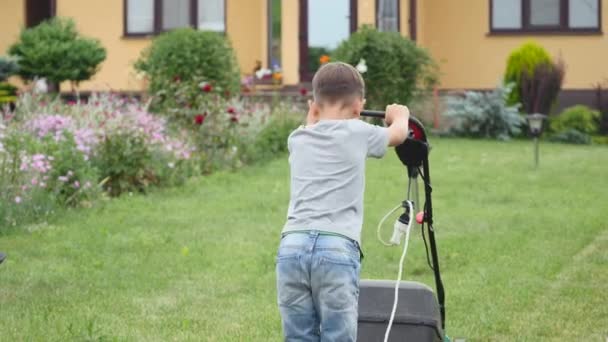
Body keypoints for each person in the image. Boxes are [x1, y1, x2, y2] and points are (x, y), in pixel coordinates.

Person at [276, 62, 410, 341]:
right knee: (338, 335)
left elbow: (311, 122)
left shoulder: (297, 138)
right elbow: (398, 135)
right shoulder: (360, 131)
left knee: (298, 335)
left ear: (313, 106)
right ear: (359, 107)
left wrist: (314, 112)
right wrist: (400, 115)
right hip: (336, 249)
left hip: (292, 246)